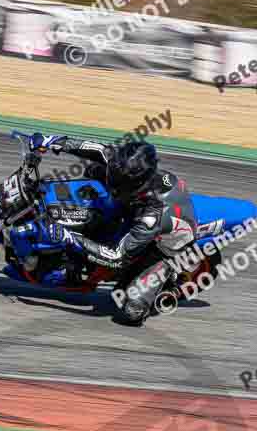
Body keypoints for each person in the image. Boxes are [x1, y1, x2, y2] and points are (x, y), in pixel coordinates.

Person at [28, 133, 198, 325]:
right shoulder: (127, 168)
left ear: (138, 184)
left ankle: (167, 283)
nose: (113, 183)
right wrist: (52, 141)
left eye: (119, 182)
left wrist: (69, 237)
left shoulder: (154, 215)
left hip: (163, 249)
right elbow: (97, 149)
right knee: (94, 171)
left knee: (131, 310)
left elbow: (116, 257)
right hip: (134, 210)